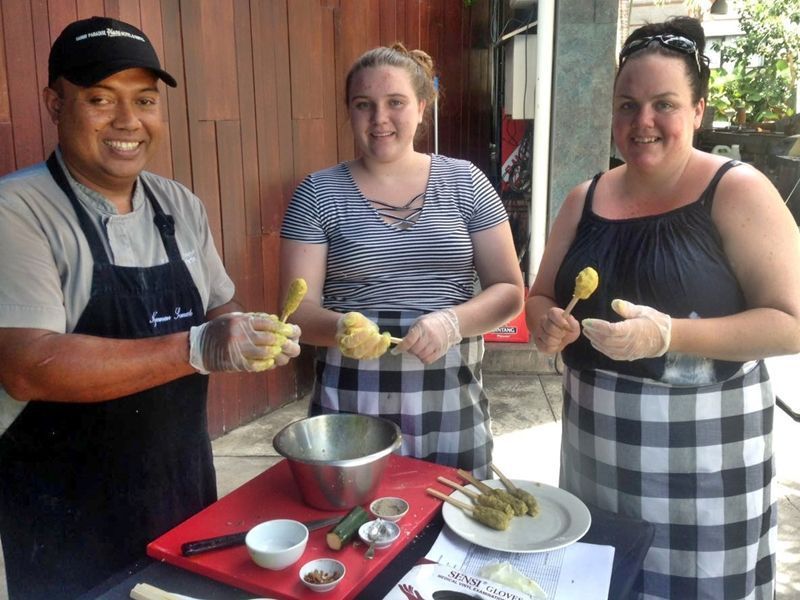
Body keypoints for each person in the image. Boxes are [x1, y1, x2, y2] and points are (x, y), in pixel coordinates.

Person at [0, 16, 301, 599]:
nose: (127, 121)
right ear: (54, 103)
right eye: (99, 98)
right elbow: (25, 365)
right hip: (64, 509)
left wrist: (247, 332)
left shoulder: (178, 204)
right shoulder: (18, 211)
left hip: (179, 482)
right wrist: (197, 347)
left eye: (144, 99)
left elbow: (220, 305)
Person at [526, 16, 800, 600]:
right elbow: (541, 295)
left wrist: (669, 335)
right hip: (596, 445)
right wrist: (544, 323)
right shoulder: (585, 197)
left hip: (706, 458)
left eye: (663, 104)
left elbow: (791, 322)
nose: (642, 122)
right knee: (604, 582)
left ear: (698, 110)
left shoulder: (737, 189)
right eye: (627, 105)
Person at [279, 43, 524, 480]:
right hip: (352, 398)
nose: (380, 119)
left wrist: (451, 322)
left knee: (455, 526)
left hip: (451, 393)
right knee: (356, 531)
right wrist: (342, 329)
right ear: (349, 112)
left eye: (395, 103)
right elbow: (296, 311)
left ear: (422, 107)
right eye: (363, 105)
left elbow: (508, 290)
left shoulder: (467, 182)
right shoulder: (316, 193)